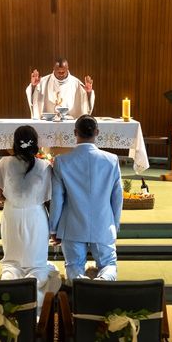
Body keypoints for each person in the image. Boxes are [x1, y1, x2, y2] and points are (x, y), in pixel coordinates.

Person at [0, 125, 61, 310]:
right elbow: (50, 200)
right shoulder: (44, 166)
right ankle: (32, 291)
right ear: (35, 144)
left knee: (12, 261)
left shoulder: (3, 163)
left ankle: (10, 284)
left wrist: (13, 199)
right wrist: (54, 228)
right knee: (36, 263)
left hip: (11, 215)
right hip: (36, 217)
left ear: (15, 142)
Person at [49, 115, 123, 282]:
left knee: (74, 266)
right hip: (103, 223)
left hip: (72, 225)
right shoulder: (112, 160)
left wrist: (54, 228)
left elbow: (57, 198)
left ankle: (80, 294)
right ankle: (101, 284)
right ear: (97, 132)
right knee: (109, 264)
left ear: (75, 132)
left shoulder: (62, 161)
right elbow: (117, 198)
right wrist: (114, 224)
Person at [26, 58, 94, 119]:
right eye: (59, 72)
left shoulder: (76, 83)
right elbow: (33, 99)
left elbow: (85, 105)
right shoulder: (43, 82)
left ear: (67, 69)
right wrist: (33, 86)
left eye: (63, 72)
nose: (61, 74)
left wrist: (88, 93)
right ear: (54, 69)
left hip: (69, 122)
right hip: (48, 122)